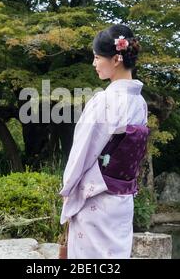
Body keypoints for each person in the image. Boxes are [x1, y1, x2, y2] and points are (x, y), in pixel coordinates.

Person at [59, 24, 149, 259]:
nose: (94, 63)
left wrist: (68, 188)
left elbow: (82, 152)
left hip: (95, 198)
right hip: (122, 200)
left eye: (97, 57)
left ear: (116, 59)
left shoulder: (104, 101)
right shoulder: (140, 103)